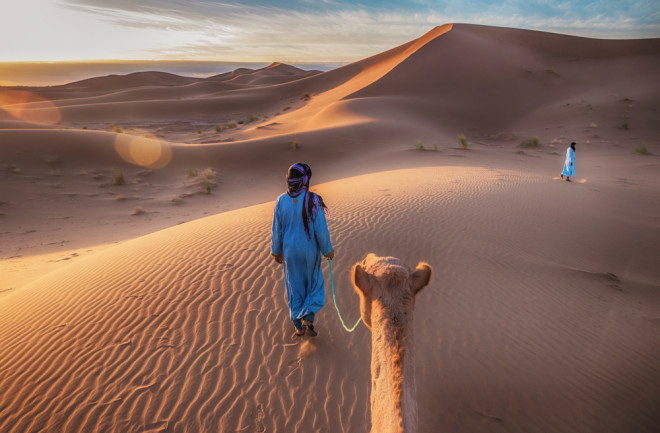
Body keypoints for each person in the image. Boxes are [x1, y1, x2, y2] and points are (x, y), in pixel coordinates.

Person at [271, 163, 334, 338]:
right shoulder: (313, 200)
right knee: (314, 284)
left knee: (295, 287)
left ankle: (298, 325)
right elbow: (321, 230)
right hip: (309, 253)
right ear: (306, 180)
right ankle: (308, 318)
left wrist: (276, 251)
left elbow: (277, 230)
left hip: (290, 253)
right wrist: (328, 250)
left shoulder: (281, 201)